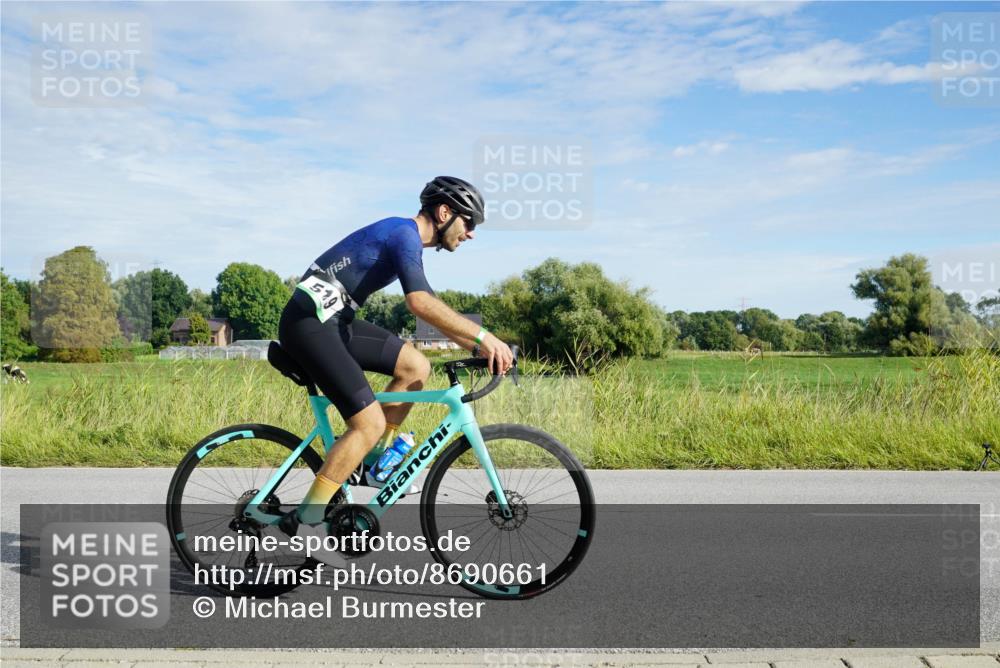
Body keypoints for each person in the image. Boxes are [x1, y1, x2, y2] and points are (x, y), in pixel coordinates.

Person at [277, 176, 514, 564]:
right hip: (309, 324)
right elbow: (420, 301)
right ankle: (307, 522)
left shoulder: (403, 236)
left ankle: (371, 465)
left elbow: (427, 307)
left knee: (416, 366)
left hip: (336, 320)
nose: (470, 234)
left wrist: (473, 343)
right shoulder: (403, 234)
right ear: (444, 213)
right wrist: (483, 337)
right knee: (366, 424)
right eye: (468, 223)